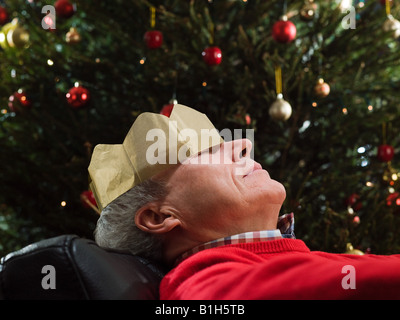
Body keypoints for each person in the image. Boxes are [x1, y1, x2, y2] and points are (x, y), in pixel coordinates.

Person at [92, 105, 400, 300]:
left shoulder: (305, 262)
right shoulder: (209, 290)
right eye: (204, 150)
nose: (244, 144)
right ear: (158, 218)